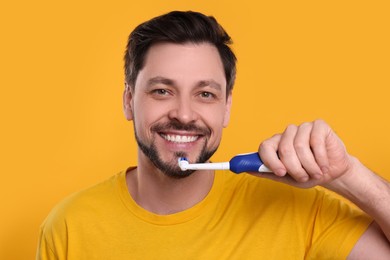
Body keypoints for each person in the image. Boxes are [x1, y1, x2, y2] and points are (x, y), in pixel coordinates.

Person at [37, 10, 390, 259]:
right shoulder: (70, 227)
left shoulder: (300, 213)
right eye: (162, 91)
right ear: (129, 101)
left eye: (205, 94)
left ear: (226, 108)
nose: (185, 114)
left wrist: (348, 176)